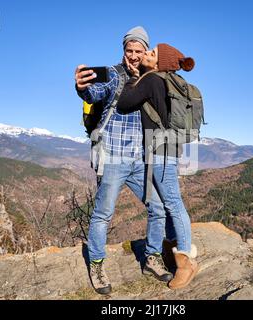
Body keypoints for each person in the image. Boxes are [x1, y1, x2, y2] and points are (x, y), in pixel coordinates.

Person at [75, 27, 174, 295]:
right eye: (129, 50)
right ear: (123, 51)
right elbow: (94, 93)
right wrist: (81, 88)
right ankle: (96, 264)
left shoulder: (151, 79)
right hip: (114, 157)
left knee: (158, 208)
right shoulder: (114, 74)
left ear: (145, 52)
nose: (132, 56)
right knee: (103, 214)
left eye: (138, 51)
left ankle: (152, 257)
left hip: (142, 159)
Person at [117, 43, 199, 289]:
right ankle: (171, 247)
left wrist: (133, 78)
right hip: (168, 149)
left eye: (151, 54)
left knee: (173, 202)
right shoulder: (168, 81)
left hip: (161, 151)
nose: (145, 55)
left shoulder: (151, 79)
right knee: (166, 202)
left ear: (158, 63)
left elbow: (124, 103)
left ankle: (186, 262)